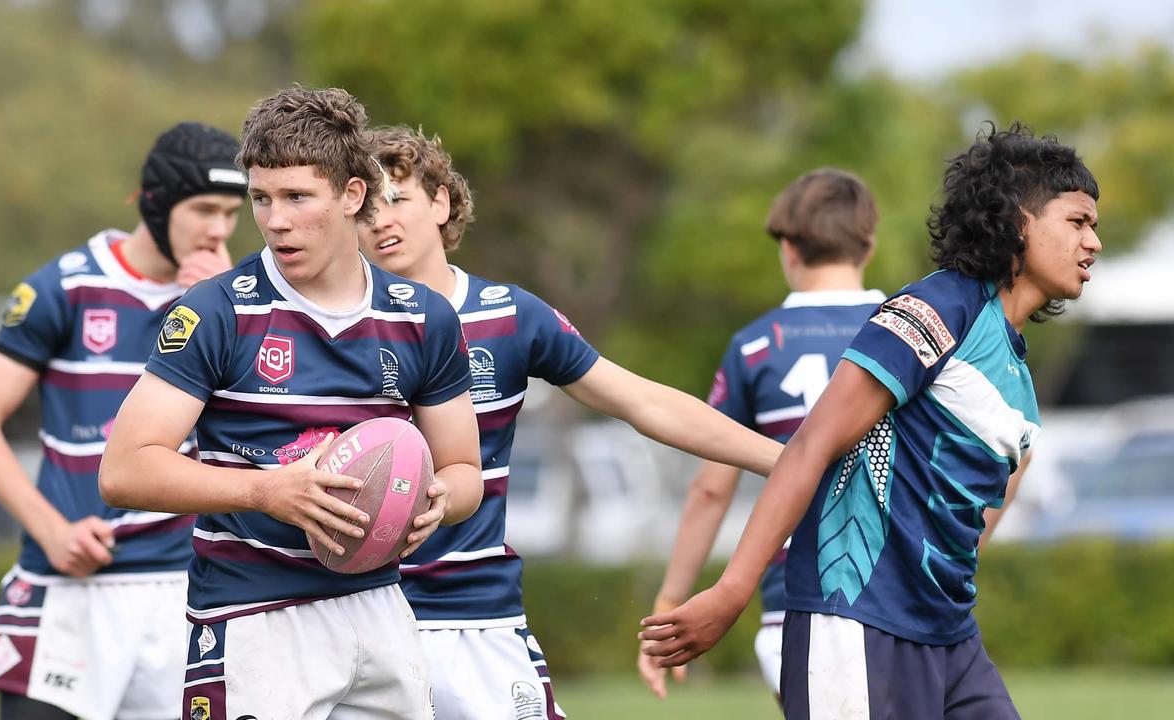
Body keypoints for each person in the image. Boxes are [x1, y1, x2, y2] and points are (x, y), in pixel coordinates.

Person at [640, 122, 1100, 719]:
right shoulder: (936, 308)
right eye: (1077, 222)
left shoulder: (1013, 367)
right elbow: (810, 448)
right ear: (1018, 221)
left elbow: (978, 512)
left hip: (949, 635)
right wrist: (731, 591)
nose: (1093, 242)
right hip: (855, 622)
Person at [359, 125, 783, 720]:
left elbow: (643, 403)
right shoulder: (328, 326)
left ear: (441, 202)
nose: (380, 220)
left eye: (397, 198)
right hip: (359, 619)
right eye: (364, 208)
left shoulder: (508, 315)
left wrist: (786, 461)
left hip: (476, 623)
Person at [99, 87, 483, 720]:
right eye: (262, 199)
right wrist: (265, 492)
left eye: (297, 197)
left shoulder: (424, 318)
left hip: (381, 610)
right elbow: (124, 470)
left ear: (352, 196)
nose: (275, 220)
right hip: (254, 617)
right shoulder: (217, 312)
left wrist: (437, 502)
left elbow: (464, 471)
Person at [0, 121, 247, 720]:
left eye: (232, 212)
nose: (219, 229)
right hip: (68, 587)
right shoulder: (66, 286)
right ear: (157, 204)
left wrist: (221, 309)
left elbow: (259, 427)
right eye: (205, 209)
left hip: (184, 588)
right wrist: (52, 530)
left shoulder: (231, 299)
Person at [637, 169, 886, 702]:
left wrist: (671, 598)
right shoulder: (906, 330)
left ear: (789, 248)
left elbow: (711, 489)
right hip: (896, 591)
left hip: (793, 600)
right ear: (869, 243)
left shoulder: (754, 346)